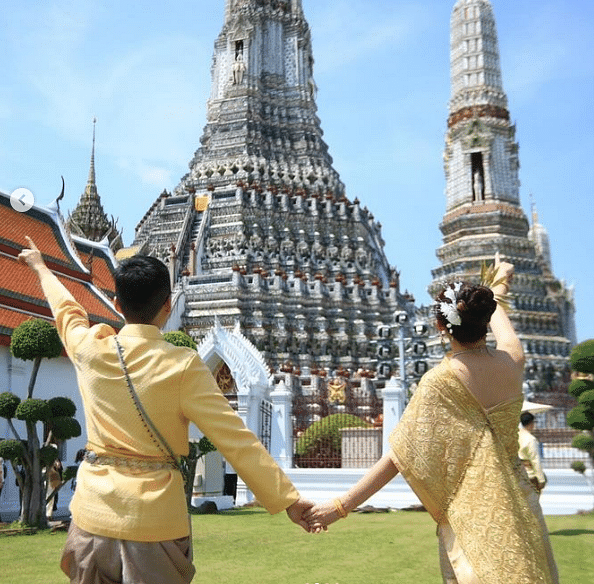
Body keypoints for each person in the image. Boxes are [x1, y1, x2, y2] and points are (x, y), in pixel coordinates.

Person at [18, 238, 312, 584]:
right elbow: (236, 441)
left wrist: (40, 267)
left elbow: (67, 311)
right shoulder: (182, 366)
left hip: (93, 516)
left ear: (116, 304)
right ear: (168, 307)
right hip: (155, 524)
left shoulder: (90, 351)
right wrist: (288, 501)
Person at [305, 258, 559, 584]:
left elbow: (399, 457)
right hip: (521, 511)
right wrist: (500, 284)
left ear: (441, 328)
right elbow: (502, 322)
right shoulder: (513, 361)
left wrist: (338, 507)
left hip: (472, 517)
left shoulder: (441, 381)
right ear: (484, 320)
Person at [519, 411, 547, 495]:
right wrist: (541, 479)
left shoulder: (516, 435)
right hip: (530, 476)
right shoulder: (530, 439)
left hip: (517, 474)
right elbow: (535, 460)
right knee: (532, 504)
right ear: (531, 423)